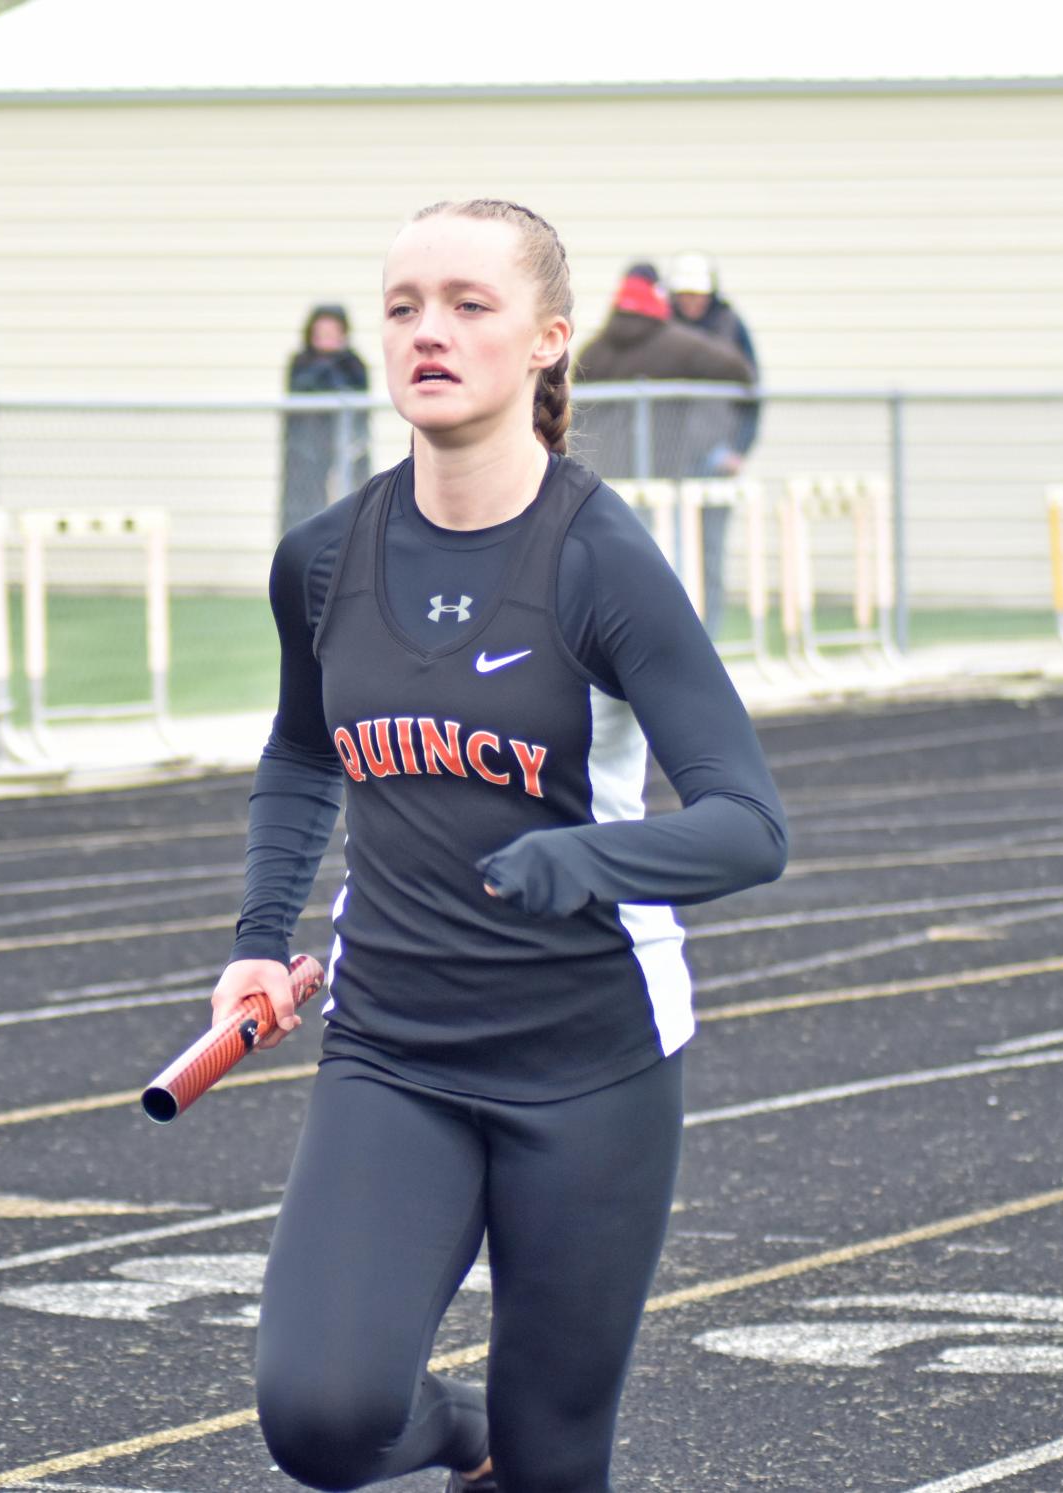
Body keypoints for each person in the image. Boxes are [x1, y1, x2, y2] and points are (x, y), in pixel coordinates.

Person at [211, 198, 787, 1493]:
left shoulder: (601, 561)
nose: (429, 330)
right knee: (321, 1417)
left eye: (469, 305)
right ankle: (465, 1439)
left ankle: (517, 1452)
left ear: (545, 341)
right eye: (405, 305)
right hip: (393, 1047)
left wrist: (583, 862)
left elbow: (749, 827)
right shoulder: (321, 557)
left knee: (556, 1460)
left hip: (589, 1060)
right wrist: (256, 942)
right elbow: (306, 751)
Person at [571, 263, 755, 634]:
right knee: (681, 562)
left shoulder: (594, 351)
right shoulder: (682, 346)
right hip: (674, 475)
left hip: (605, 479)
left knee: (615, 568)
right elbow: (742, 373)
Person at [668, 252, 764, 636]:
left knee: (710, 554)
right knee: (669, 551)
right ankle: (675, 634)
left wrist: (739, 449)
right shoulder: (663, 328)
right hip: (672, 460)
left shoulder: (730, 326)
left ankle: (710, 636)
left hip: (716, 459)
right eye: (685, 295)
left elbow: (752, 395)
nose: (692, 302)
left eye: (698, 295)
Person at [282, 303, 370, 528]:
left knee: (355, 501)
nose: (326, 339)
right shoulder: (301, 363)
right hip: (307, 451)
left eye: (332, 333)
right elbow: (301, 392)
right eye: (321, 333)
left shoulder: (353, 364)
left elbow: (358, 398)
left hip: (348, 448)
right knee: (304, 510)